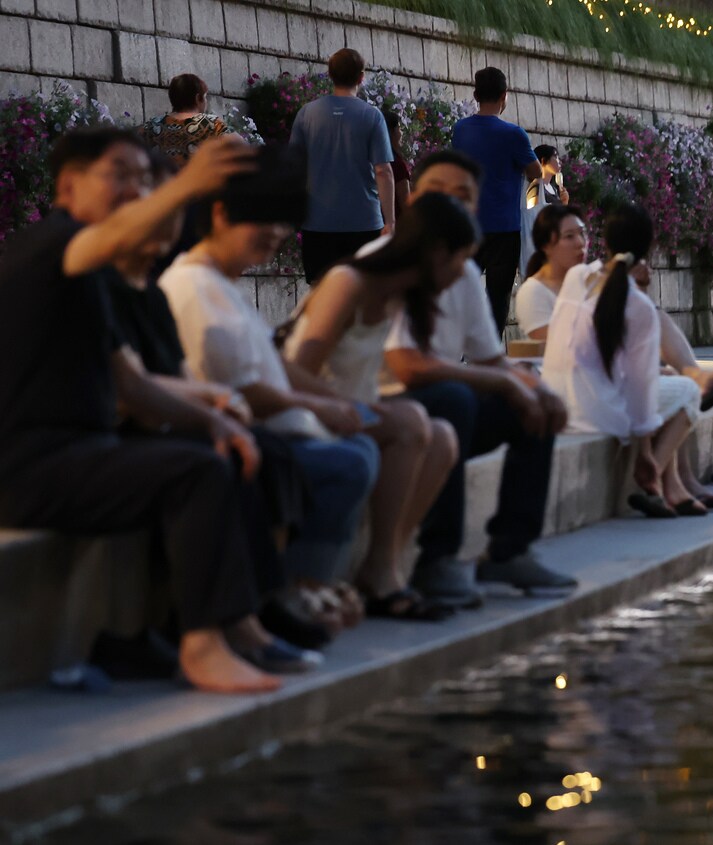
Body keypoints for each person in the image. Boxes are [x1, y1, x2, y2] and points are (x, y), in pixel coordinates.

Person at [0, 128, 292, 693]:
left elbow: (131, 382)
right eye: (120, 175)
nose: (136, 190)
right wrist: (190, 182)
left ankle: (219, 625)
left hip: (78, 454)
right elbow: (97, 244)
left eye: (143, 178)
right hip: (29, 467)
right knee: (196, 473)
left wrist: (214, 420)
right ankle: (203, 645)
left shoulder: (87, 275)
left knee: (209, 452)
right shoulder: (52, 243)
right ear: (67, 186)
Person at [160, 177, 384, 635]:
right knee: (348, 462)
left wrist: (334, 403)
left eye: (279, 232)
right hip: (235, 432)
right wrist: (319, 408)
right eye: (262, 229)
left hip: (274, 425)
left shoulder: (220, 285)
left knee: (365, 444)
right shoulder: (192, 286)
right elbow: (243, 389)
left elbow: (273, 367)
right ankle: (298, 590)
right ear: (221, 216)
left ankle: (317, 583)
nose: (272, 241)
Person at [379, 150, 577, 601]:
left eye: (462, 196)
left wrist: (529, 384)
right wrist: (504, 381)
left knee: (532, 398)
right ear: (412, 200)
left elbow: (489, 359)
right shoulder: (385, 259)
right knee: (454, 398)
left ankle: (510, 551)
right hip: (382, 410)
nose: (450, 204)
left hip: (435, 409)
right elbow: (406, 367)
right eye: (439, 193)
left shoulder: (464, 270)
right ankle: (437, 558)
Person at [282, 195, 472, 619]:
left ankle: (382, 565)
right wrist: (354, 406)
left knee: (442, 437)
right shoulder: (349, 282)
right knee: (412, 422)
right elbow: (294, 371)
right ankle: (380, 576)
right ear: (437, 253)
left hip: (348, 410)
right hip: (306, 411)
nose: (463, 273)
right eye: (461, 259)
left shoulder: (395, 294)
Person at [541, 202, 705, 518]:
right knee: (689, 391)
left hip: (558, 405)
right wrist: (644, 453)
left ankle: (672, 486)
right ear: (650, 247)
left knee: (667, 381)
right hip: (596, 414)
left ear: (605, 241)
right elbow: (640, 389)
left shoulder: (577, 276)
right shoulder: (638, 304)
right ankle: (653, 475)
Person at [289, 49, 395, 285]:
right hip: (365, 221)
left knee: (320, 291)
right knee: (364, 291)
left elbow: (293, 166)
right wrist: (390, 222)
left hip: (317, 221)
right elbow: (383, 171)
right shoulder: (372, 116)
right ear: (361, 77)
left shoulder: (306, 114)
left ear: (330, 75)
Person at [451, 67, 543, 333]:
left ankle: (460, 352)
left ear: (476, 95)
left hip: (469, 225)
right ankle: (490, 354)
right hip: (505, 228)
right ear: (505, 95)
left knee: (463, 289)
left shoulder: (461, 130)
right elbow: (536, 174)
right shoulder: (514, 134)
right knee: (498, 296)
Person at [516, 203, 587, 341]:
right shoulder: (533, 292)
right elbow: (556, 348)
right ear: (546, 246)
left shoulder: (585, 282)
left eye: (582, 233)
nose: (580, 243)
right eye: (569, 236)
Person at [139, 74, 231, 168]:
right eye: (205, 97)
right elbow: (239, 153)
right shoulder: (214, 125)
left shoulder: (151, 126)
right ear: (197, 98)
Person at [382, 109, 412, 226]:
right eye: (399, 128)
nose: (401, 133)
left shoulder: (373, 160)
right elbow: (405, 203)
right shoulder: (397, 164)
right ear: (393, 132)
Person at [526, 144, 569, 209]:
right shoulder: (535, 188)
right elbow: (532, 213)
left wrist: (564, 202)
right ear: (543, 160)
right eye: (555, 157)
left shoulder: (554, 189)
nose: (560, 162)